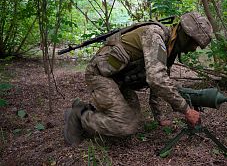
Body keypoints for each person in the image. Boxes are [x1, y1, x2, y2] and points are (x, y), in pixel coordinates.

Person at [63, 11, 213, 145]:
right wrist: (186, 110)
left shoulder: (168, 48)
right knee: (125, 125)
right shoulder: (155, 36)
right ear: (184, 35)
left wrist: (159, 117)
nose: (193, 48)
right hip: (101, 76)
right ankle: (79, 116)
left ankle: (90, 108)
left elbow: (160, 80)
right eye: (194, 43)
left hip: (119, 82)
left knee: (134, 119)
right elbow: (157, 80)